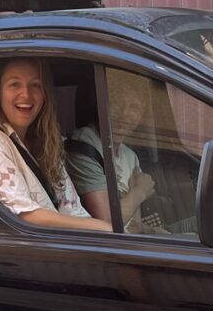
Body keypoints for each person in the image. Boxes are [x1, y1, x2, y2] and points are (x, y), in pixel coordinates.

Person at [0, 58, 111, 232]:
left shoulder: (44, 143)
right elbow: (26, 216)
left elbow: (72, 208)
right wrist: (105, 228)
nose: (26, 94)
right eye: (14, 84)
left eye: (36, 85)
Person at [66, 73, 160, 234]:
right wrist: (141, 190)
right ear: (102, 104)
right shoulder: (83, 145)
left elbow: (134, 225)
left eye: (134, 108)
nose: (125, 114)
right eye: (117, 103)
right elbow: (108, 222)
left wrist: (155, 232)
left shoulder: (130, 156)